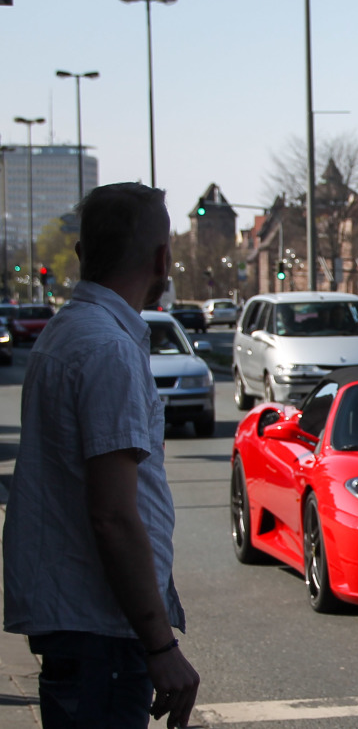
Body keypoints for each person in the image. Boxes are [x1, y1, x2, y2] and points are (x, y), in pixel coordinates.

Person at [3, 183, 200, 728]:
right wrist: (160, 646)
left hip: (83, 628)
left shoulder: (71, 332)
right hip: (102, 635)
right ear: (162, 259)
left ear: (81, 255)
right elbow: (112, 514)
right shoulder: (108, 349)